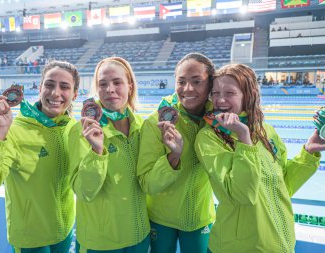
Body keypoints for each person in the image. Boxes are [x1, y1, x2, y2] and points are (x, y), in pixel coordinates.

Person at [195, 63, 324, 253]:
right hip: (238, 247)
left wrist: (308, 153)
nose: (220, 100)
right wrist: (243, 139)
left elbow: (283, 186)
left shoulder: (266, 131)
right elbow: (242, 194)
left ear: (248, 94)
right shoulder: (208, 138)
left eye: (229, 93)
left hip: (280, 242)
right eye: (215, 93)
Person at [0, 60, 80, 253]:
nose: (55, 93)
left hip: (65, 231)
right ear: (40, 88)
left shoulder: (72, 128)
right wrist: (0, 132)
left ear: (75, 94)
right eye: (49, 85)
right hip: (31, 239)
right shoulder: (15, 131)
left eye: (64, 87)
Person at [68, 57, 150, 252]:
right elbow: (84, 191)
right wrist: (97, 152)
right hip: (101, 241)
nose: (110, 89)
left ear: (130, 86)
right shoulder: (82, 130)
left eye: (117, 82)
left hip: (140, 235)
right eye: (102, 84)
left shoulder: (143, 126)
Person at [137, 53, 216, 253]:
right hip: (161, 219)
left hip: (199, 218)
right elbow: (147, 183)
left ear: (210, 85)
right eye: (181, 82)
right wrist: (174, 157)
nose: (188, 89)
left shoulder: (217, 123)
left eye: (197, 81)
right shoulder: (156, 123)